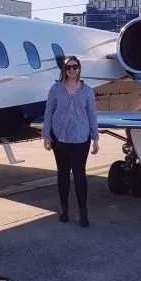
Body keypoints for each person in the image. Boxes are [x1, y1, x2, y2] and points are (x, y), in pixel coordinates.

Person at [42, 55, 99, 227]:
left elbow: (92, 114)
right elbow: (49, 112)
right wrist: (46, 135)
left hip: (81, 138)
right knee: (63, 174)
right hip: (60, 137)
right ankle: (64, 209)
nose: (72, 70)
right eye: (68, 67)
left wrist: (95, 137)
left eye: (75, 66)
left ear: (79, 68)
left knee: (80, 174)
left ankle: (83, 211)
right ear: (64, 70)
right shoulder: (55, 89)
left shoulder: (87, 90)